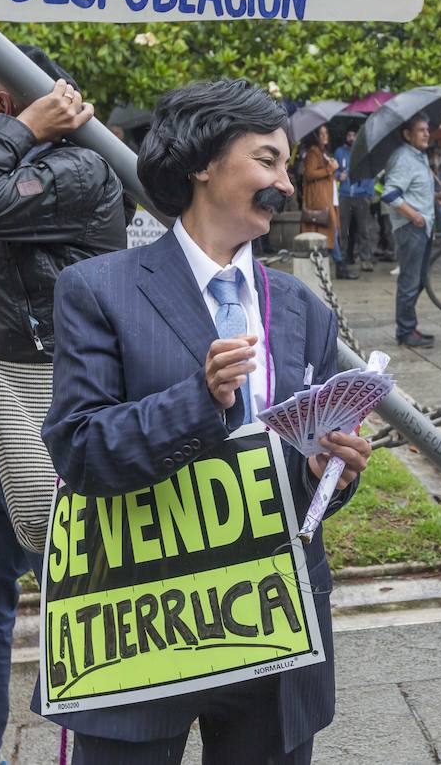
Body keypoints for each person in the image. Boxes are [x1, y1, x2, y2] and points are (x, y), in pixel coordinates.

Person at [41, 79, 372, 762]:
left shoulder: (301, 309)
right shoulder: (100, 290)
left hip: (273, 630)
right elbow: (79, 450)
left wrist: (328, 473)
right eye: (267, 160)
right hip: (141, 629)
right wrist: (200, 399)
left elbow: (301, 484)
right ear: (201, 164)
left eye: (285, 164)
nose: (285, 182)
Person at [0, 48, 129, 765]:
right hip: (4, 424)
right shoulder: (14, 167)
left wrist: (10, 137)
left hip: (66, 421)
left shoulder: (78, 171)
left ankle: (104, 747)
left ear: (12, 110)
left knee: (86, 609)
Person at [383, 115, 437, 348]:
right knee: (409, 281)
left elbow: (413, 190)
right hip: (410, 229)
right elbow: (390, 194)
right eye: (420, 130)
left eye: (427, 129)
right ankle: (405, 331)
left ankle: (409, 326)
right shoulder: (404, 157)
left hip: (423, 228)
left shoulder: (419, 156)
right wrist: (414, 215)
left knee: (420, 280)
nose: (426, 134)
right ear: (407, 134)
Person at [299, 124, 356, 279]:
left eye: (326, 133)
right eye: (321, 133)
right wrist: (330, 169)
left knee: (332, 231)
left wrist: (332, 171)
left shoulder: (323, 153)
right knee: (332, 230)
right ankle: (340, 266)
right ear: (315, 136)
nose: (325, 136)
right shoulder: (313, 152)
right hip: (320, 201)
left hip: (329, 198)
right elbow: (309, 174)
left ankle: (337, 266)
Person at [334, 128, 377, 271]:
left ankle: (366, 259)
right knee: (344, 229)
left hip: (361, 196)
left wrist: (368, 194)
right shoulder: (339, 152)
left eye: (354, 135)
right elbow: (334, 170)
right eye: (349, 134)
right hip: (345, 195)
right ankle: (344, 258)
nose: (352, 137)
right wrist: (338, 175)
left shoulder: (365, 152)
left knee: (363, 230)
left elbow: (371, 174)